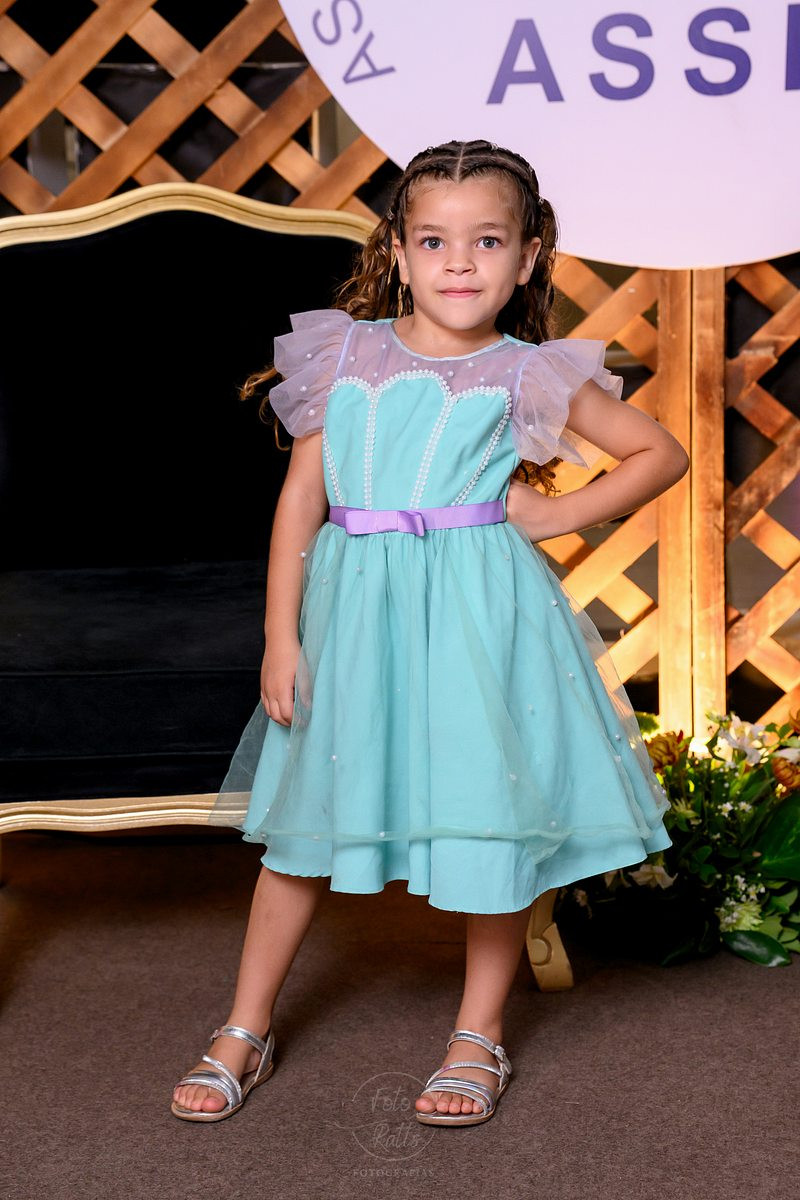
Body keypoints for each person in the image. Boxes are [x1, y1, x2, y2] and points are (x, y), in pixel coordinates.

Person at [171, 138, 688, 1127]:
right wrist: (280, 637)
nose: (460, 263)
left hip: (477, 616)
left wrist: (554, 514)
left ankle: (475, 1033)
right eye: (435, 241)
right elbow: (300, 503)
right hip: (354, 616)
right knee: (303, 822)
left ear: (527, 259)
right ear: (400, 255)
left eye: (487, 241)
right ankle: (245, 1024)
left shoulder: (527, 370)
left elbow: (656, 453)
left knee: (486, 813)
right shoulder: (344, 353)